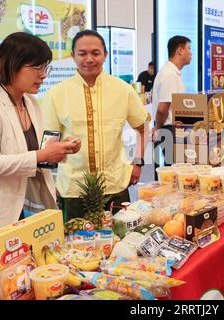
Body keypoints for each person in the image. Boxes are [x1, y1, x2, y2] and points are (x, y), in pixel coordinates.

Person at [0, 32, 79, 288]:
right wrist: (42, 155)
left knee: (9, 285)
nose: (44, 74)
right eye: (37, 67)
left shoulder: (30, 103)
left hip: (15, 212)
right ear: (12, 63)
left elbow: (30, 154)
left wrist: (58, 150)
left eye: (46, 67)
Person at [42, 30, 150, 221]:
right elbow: (47, 143)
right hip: (74, 189)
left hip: (115, 185)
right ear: (72, 56)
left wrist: (138, 162)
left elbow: (143, 126)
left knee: (121, 245)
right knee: (75, 248)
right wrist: (51, 181)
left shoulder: (123, 90)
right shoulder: (56, 94)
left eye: (95, 53)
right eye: (82, 53)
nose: (89, 59)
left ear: (105, 55)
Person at [152, 36, 192, 168]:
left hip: (170, 128)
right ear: (180, 51)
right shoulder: (169, 74)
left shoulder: (173, 73)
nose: (191, 53)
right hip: (168, 129)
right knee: (172, 172)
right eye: (189, 48)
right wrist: (158, 129)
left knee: (173, 170)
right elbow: (162, 108)